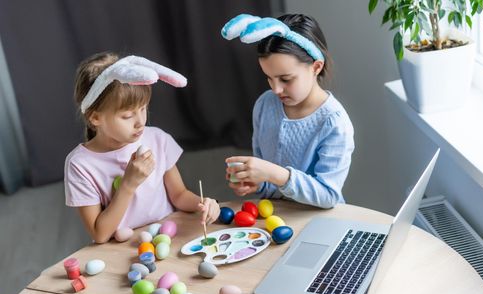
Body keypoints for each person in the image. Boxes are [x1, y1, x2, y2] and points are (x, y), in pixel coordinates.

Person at [65, 52, 220, 243]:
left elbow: (179, 195)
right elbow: (100, 234)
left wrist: (202, 203)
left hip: (166, 237)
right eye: (128, 116)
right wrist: (129, 184)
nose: (140, 122)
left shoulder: (157, 139)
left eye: (143, 108)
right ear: (95, 117)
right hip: (122, 250)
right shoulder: (81, 164)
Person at [221, 14, 354, 209]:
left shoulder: (333, 122)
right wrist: (256, 180)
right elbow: (269, 180)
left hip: (320, 220)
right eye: (269, 78)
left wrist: (273, 173)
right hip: (275, 214)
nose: (276, 89)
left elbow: (328, 195)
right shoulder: (265, 105)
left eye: (286, 79)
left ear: (316, 67)